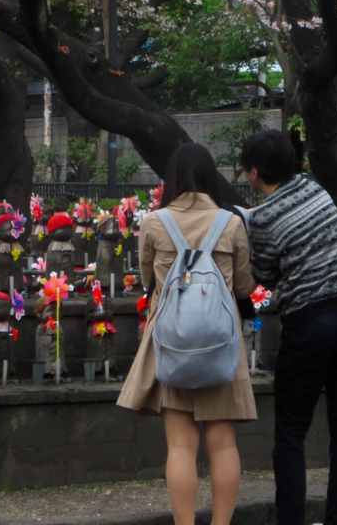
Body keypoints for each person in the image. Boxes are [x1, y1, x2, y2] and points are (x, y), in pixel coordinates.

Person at [117, 142, 256, 525]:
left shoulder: (154, 222)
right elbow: (243, 285)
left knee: (180, 444)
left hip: (173, 341)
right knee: (223, 441)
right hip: (220, 343)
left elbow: (148, 280)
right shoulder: (230, 223)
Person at [243, 129, 337, 525]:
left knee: (291, 432)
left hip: (310, 323)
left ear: (254, 173)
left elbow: (262, 274)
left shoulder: (262, 218)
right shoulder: (316, 190)